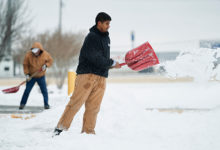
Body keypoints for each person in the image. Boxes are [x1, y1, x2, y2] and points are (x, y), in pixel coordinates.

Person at [53, 12, 121, 136]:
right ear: (99, 23)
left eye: (109, 24)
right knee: (75, 103)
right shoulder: (92, 37)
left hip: (101, 77)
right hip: (87, 76)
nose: (108, 26)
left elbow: (102, 60)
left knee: (94, 108)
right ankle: (60, 129)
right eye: (106, 23)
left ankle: (88, 133)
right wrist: (112, 62)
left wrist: (112, 65)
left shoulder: (106, 38)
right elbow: (94, 58)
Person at [19, 42, 53, 110]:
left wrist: (46, 65)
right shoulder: (28, 55)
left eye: (36, 51)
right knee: (27, 91)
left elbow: (50, 61)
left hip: (41, 76)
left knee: (44, 91)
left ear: (39, 50)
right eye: (34, 51)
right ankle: (22, 104)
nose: (35, 53)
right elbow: (25, 65)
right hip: (31, 76)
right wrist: (27, 74)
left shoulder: (45, 54)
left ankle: (46, 104)